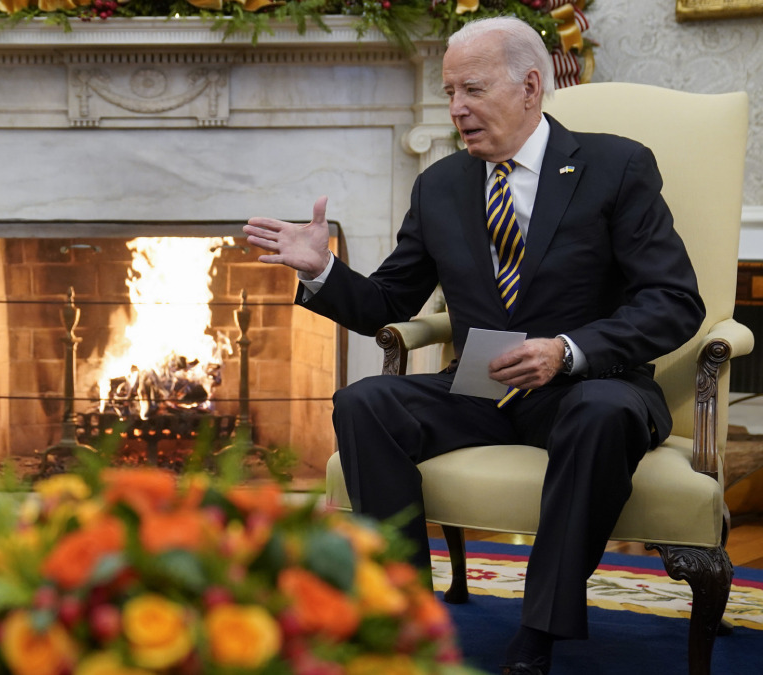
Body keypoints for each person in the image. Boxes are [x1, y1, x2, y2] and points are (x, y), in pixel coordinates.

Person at [243, 16, 704, 675]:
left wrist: (566, 349)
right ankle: (403, 614)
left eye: (473, 89)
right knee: (365, 402)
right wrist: (322, 270)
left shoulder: (615, 166)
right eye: (449, 92)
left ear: (530, 86)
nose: (456, 108)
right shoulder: (441, 185)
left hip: (590, 383)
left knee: (600, 411)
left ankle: (538, 632)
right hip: (483, 386)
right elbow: (388, 303)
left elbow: (673, 300)